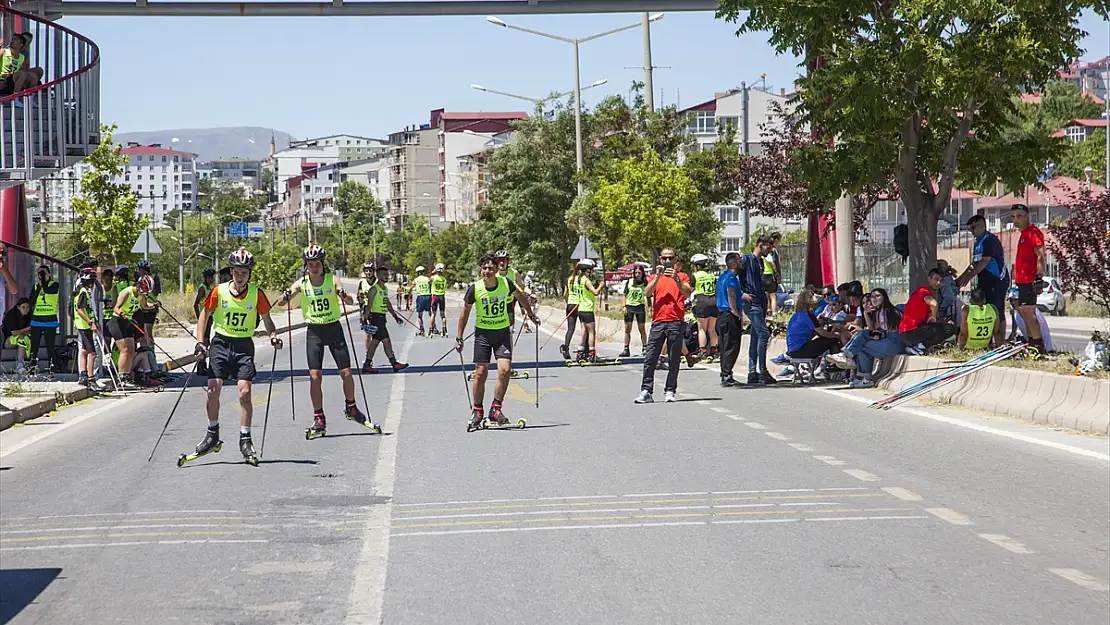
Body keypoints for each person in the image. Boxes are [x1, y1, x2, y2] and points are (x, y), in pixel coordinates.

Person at [191, 249, 282, 464]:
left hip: (243, 345)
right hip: (221, 343)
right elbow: (204, 316)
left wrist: (273, 335)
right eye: (237, 271)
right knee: (213, 389)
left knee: (244, 392)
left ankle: (245, 438)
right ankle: (212, 434)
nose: (240, 276)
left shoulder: (256, 294)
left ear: (249, 274)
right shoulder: (218, 291)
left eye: (245, 272)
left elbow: (267, 320)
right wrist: (200, 342)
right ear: (231, 272)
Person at [279, 245, 379, 437]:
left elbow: (349, 301)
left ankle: (351, 407)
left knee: (347, 373)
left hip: (333, 328)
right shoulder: (302, 283)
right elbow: (284, 301)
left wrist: (343, 294)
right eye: (310, 264)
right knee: (315, 376)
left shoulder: (332, 280)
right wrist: (285, 296)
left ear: (322, 264)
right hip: (314, 331)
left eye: (317, 264)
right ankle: (319, 417)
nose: (314, 267)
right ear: (306, 266)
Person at [455, 253, 540, 430]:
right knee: (480, 372)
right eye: (484, 268)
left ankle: (496, 408)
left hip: (501, 333)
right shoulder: (475, 288)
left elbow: (521, 297)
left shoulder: (505, 283)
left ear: (496, 269)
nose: (488, 271)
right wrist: (459, 337)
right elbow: (465, 312)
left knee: (505, 370)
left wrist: (530, 314)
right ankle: (477, 410)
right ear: (481, 270)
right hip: (483, 335)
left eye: (491, 268)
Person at [635, 247, 694, 404]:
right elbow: (647, 293)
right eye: (664, 258)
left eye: (670, 258)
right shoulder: (655, 276)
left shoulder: (682, 275)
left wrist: (676, 279)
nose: (667, 261)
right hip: (658, 321)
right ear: (660, 259)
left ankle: (670, 390)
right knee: (650, 357)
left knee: (674, 358)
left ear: (675, 259)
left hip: (675, 321)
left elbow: (687, 293)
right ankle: (646, 390)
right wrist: (657, 278)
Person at [956, 214, 1008, 344]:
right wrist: (962, 277)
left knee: (996, 310)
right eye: (970, 229)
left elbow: (984, 262)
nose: (971, 231)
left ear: (982, 226)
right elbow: (974, 263)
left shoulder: (989, 240)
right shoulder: (978, 243)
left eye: (973, 227)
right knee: (983, 307)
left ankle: (1000, 342)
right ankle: (986, 340)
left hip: (996, 279)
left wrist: (969, 277)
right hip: (984, 279)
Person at [110, 274, 160, 389]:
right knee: (124, 350)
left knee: (131, 350)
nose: (145, 294)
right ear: (138, 286)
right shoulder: (127, 292)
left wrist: (154, 305)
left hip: (128, 322)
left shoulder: (141, 295)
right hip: (117, 322)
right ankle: (121, 378)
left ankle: (127, 376)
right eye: (144, 291)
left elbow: (144, 306)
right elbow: (116, 307)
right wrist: (122, 314)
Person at [1010, 203, 1047, 355]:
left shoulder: (1034, 233)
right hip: (1021, 281)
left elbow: (1041, 255)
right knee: (1024, 312)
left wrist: (1038, 277)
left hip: (1029, 280)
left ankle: (1038, 345)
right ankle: (1031, 341)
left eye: (1019, 216)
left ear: (1027, 216)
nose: (1016, 220)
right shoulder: (1023, 234)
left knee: (1029, 313)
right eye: (1013, 217)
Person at [740, 235, 776, 385]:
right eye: (768, 247)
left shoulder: (760, 262)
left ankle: (752, 372)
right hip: (752, 303)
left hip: (760, 302)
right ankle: (762, 370)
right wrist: (741, 294)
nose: (770, 250)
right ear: (760, 245)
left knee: (756, 336)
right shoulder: (746, 260)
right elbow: (733, 277)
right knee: (763, 333)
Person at [359, 263, 408, 374]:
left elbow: (387, 303)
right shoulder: (374, 289)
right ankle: (394, 363)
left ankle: (367, 364)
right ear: (379, 276)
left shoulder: (384, 289)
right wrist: (364, 319)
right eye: (384, 274)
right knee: (386, 341)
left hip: (382, 317)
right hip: (376, 317)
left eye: (387, 274)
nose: (387, 276)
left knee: (375, 342)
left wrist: (395, 316)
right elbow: (369, 305)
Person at [715, 252, 743, 386]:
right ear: (733, 264)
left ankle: (726, 373)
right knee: (732, 346)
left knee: (725, 346)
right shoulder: (731, 278)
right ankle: (726, 374)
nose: (741, 263)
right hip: (729, 315)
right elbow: (731, 295)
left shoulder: (722, 277)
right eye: (739, 261)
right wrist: (736, 313)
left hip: (721, 315)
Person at [72, 267, 103, 389]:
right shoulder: (83, 292)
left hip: (85, 325)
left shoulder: (83, 291)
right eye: (92, 280)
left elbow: (88, 309)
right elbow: (80, 310)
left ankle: (83, 375)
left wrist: (95, 320)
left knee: (84, 350)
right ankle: (91, 379)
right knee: (92, 353)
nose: (93, 283)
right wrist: (91, 323)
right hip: (84, 326)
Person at [27, 264, 61, 375]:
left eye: (43, 273)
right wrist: (39, 285)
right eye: (39, 273)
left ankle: (52, 367)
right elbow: (31, 301)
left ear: (49, 274)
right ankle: (32, 367)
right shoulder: (36, 286)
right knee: (34, 346)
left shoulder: (54, 285)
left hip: (50, 320)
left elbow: (48, 291)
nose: (41, 275)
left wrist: (44, 282)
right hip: (36, 320)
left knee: (50, 346)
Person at [570, 259, 602, 361]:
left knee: (584, 331)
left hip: (580, 309)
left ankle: (580, 353)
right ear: (587, 270)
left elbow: (587, 291)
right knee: (592, 332)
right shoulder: (586, 280)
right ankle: (592, 354)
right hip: (587, 309)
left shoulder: (576, 279)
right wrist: (601, 285)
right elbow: (595, 292)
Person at [690, 253, 719, 361]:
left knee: (702, 328)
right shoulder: (711, 275)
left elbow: (690, 290)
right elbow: (715, 288)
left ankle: (703, 351)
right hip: (713, 302)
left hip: (701, 302)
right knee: (712, 328)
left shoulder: (695, 276)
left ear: (697, 266)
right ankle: (714, 351)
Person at [619, 264, 649, 358]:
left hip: (640, 307)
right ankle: (626, 348)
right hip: (630, 306)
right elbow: (624, 294)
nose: (637, 275)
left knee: (642, 329)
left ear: (642, 273)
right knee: (628, 329)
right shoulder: (630, 282)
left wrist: (650, 309)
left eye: (639, 273)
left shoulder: (645, 283)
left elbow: (648, 296)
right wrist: (623, 306)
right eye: (636, 273)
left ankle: (645, 347)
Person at [193, 268, 218, 376]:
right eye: (209, 277)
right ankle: (200, 366)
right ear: (205, 278)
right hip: (205, 318)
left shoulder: (210, 288)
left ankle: (203, 365)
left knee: (206, 340)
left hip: (210, 317)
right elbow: (195, 304)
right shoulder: (202, 288)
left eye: (212, 277)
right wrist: (200, 318)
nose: (211, 279)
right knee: (203, 341)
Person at [2, 297, 31, 374]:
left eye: (27, 307)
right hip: (7, 341)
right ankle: (20, 365)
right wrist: (26, 329)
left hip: (21, 338)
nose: (26, 309)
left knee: (23, 339)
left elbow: (31, 330)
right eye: (23, 307)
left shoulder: (28, 315)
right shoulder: (12, 315)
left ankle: (20, 365)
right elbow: (14, 332)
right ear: (18, 307)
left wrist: (24, 333)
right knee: (21, 338)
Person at [559, 261, 582, 361]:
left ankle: (566, 347)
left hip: (570, 305)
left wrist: (568, 302)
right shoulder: (582, 280)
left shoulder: (570, 279)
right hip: (580, 305)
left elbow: (565, 294)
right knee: (584, 329)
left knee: (570, 329)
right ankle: (583, 350)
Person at [410, 266, 432, 335]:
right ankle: (432, 327)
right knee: (430, 313)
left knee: (420, 315)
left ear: (418, 272)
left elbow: (410, 288)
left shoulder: (416, 280)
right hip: (428, 296)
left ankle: (422, 330)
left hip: (421, 297)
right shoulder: (427, 279)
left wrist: (407, 291)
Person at [430, 263, 449, 336]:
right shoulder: (444, 279)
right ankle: (444, 330)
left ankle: (431, 329)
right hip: (441, 296)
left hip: (435, 296)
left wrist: (432, 272)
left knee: (433, 314)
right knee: (443, 315)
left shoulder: (433, 277)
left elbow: (429, 281)